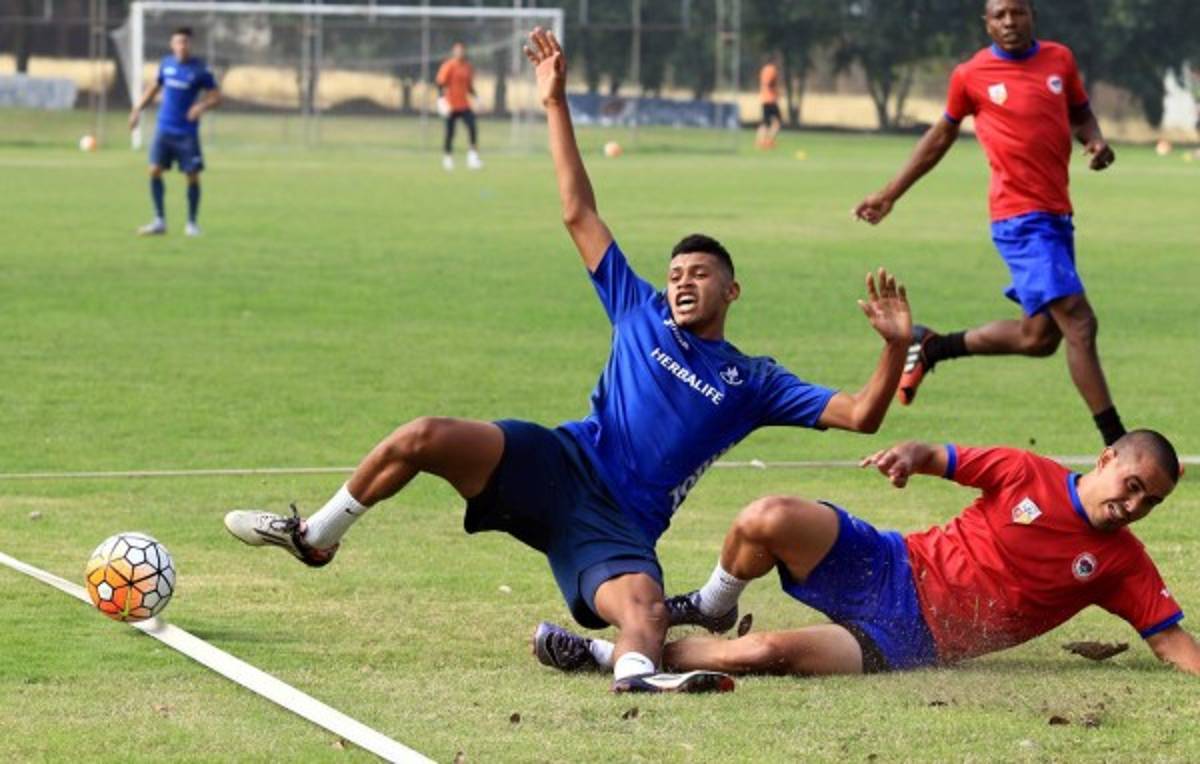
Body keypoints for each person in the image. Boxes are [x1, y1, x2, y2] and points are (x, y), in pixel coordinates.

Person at [224, 28, 914, 695]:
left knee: (644, 608)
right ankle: (316, 535)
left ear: (730, 291)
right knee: (423, 437)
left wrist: (892, 349)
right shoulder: (637, 307)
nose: (682, 282)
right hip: (557, 463)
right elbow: (578, 211)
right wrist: (554, 100)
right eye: (676, 272)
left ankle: (637, 680)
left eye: (700, 274)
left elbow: (860, 415)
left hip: (617, 525)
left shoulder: (753, 380)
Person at [535, 430, 1197, 679]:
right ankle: (711, 604)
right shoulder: (1029, 472)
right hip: (890, 561)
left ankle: (606, 655)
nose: (1134, 505)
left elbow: (1170, 643)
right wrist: (909, 455)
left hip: (911, 636)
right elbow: (944, 456)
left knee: (766, 654)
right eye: (1132, 486)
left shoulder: (1121, 562)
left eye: (1150, 503)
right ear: (1107, 460)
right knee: (766, 517)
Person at [854, 0, 1125, 446]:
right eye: (999, 14)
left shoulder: (1060, 59)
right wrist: (889, 194)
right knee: (1080, 323)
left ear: (1033, 15)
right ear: (986, 22)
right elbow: (940, 136)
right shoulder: (971, 75)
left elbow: (1079, 112)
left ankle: (933, 346)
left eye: (1017, 12)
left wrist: (1095, 140)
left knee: (1039, 337)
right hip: (1020, 219)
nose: (1009, 22)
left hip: (1057, 216)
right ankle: (1118, 444)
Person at [129, 26, 221, 237]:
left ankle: (192, 223)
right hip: (164, 129)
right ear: (172, 45)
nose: (181, 46)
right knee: (154, 170)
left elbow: (216, 97)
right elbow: (153, 89)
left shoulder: (200, 70)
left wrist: (200, 107)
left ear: (190, 44)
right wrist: (136, 110)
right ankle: (159, 221)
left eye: (185, 42)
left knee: (192, 175)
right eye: (178, 42)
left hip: (187, 132)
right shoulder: (166, 64)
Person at [436, 42, 482, 171]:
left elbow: (469, 87)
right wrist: (441, 100)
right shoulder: (449, 65)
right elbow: (440, 83)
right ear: (454, 52)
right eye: (458, 50)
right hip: (451, 105)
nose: (460, 53)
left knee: (472, 127)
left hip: (464, 104)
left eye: (462, 50)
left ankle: (472, 157)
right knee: (450, 132)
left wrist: (477, 97)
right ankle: (447, 157)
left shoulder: (467, 67)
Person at [756, 54, 783, 150]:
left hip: (764, 99)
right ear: (774, 61)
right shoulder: (772, 69)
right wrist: (775, 90)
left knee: (765, 122)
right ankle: (769, 141)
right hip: (771, 99)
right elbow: (769, 83)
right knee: (778, 121)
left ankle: (760, 141)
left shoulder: (764, 69)